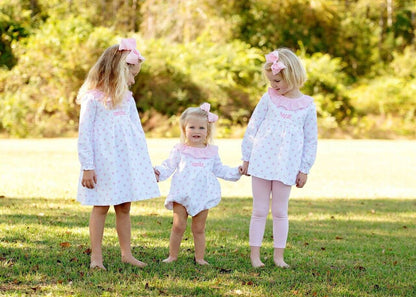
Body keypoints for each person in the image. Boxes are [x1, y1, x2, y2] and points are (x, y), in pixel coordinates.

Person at [76, 38, 160, 270]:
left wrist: (145, 165)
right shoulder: (92, 99)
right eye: (131, 74)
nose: (133, 80)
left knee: (124, 207)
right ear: (118, 71)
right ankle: (96, 258)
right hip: (102, 163)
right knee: (101, 207)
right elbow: (84, 136)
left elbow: (138, 135)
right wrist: (87, 166)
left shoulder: (127, 100)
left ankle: (127, 253)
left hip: (125, 163)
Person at [240, 48, 318, 268]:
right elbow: (253, 127)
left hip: (287, 166)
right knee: (259, 210)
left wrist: (304, 169)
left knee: (281, 211)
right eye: (271, 81)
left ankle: (278, 256)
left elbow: (311, 140)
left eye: (277, 81)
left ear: (292, 76)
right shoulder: (269, 98)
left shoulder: (307, 106)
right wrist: (246, 157)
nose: (274, 85)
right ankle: (255, 256)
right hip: (262, 161)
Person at [154, 103, 242, 265]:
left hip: (203, 195)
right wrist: (158, 172)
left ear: (207, 131)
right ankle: (172, 256)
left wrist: (238, 171)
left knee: (199, 229)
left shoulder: (211, 152)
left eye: (201, 128)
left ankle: (199, 258)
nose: (196, 131)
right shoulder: (180, 149)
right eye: (192, 127)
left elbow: (220, 169)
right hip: (182, 194)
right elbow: (169, 165)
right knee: (178, 227)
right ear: (184, 129)